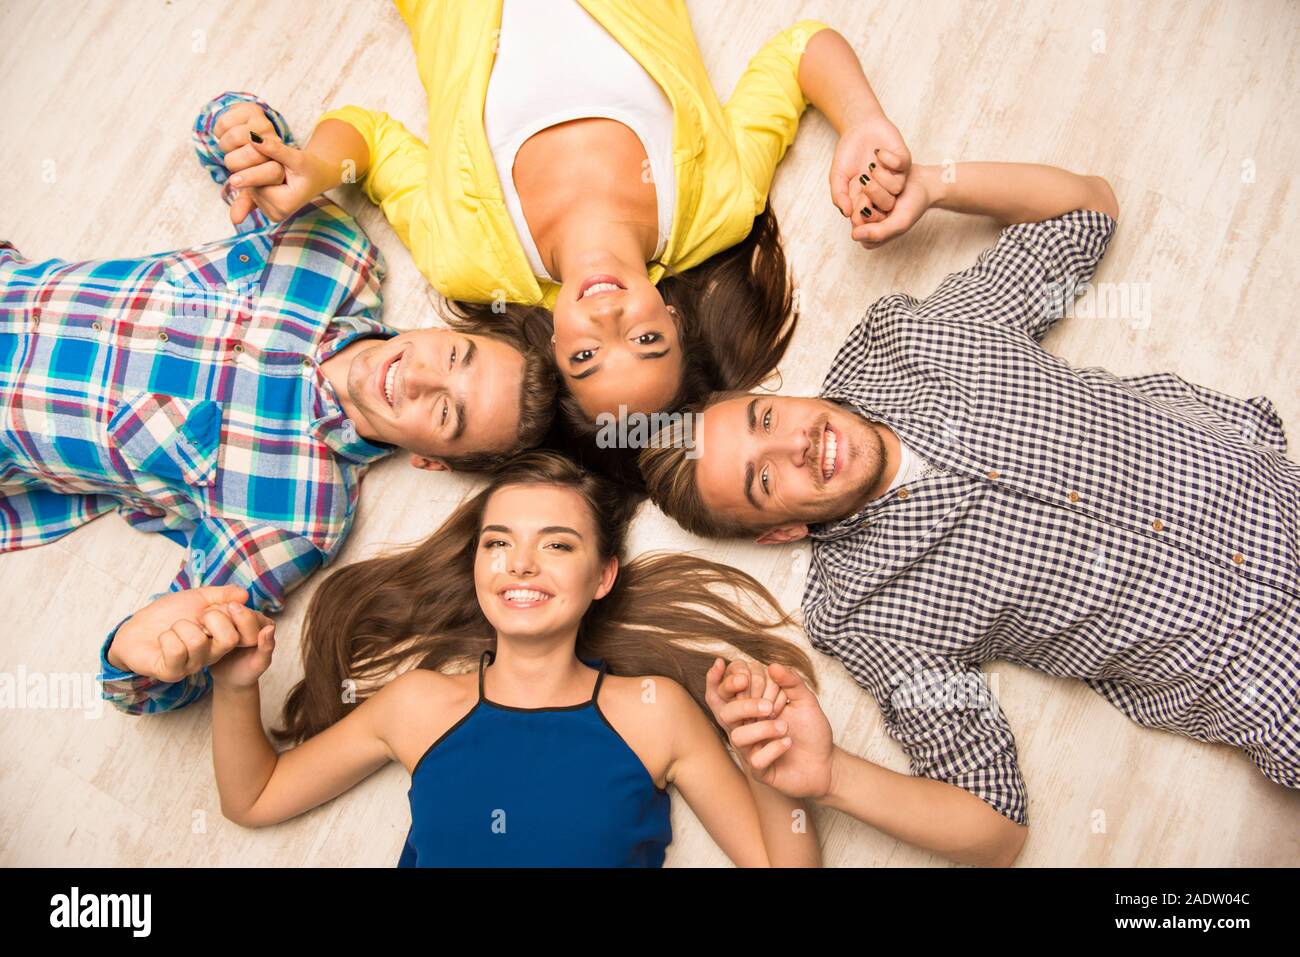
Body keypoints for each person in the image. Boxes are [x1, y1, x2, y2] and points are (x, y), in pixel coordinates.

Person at [638, 159, 1299, 865]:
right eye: (763, 478)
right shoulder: (865, 612)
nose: (796, 442)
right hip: (1265, 670)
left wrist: (934, 185)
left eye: (767, 417)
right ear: (782, 530)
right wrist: (831, 775)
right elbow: (994, 829)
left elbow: (1086, 211)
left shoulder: (907, 344)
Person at [0, 91, 557, 716]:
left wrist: (137, 651)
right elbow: (223, 137)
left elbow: (161, 675)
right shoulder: (335, 258)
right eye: (455, 356)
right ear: (442, 331)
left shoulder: (295, 516)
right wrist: (244, 130)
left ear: (432, 461)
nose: (425, 379)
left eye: (448, 414)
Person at [218, 1, 912, 426]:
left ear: (552, 347)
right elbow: (798, 53)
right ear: (672, 318)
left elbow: (365, 139)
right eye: (646, 342)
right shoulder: (717, 209)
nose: (610, 321)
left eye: (586, 354)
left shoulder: (470, 257)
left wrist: (312, 167)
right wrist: (863, 118)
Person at [206, 450, 822, 867]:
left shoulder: (654, 712)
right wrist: (235, 687)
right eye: (497, 543)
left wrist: (765, 756)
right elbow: (254, 798)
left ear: (603, 576)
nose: (519, 564)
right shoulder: (418, 705)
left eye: (557, 544)